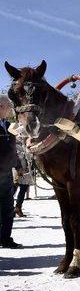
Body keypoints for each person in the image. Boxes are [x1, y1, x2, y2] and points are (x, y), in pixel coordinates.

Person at [0, 95, 22, 248]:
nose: (11, 110)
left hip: (7, 173)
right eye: (9, 107)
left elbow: (13, 149)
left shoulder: (9, 125)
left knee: (8, 207)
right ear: (1, 107)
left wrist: (18, 164)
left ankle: (6, 238)